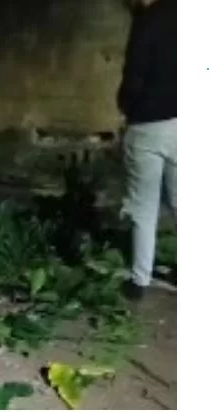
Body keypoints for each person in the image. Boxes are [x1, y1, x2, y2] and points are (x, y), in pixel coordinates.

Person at [116, 0, 176, 301]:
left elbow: (134, 75)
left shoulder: (148, 21)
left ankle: (139, 280)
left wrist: (127, 108)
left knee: (144, 207)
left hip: (148, 126)